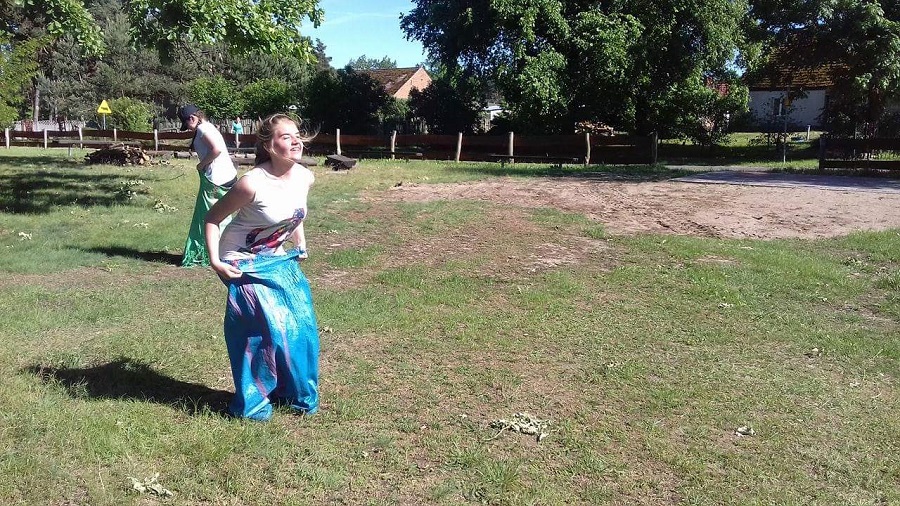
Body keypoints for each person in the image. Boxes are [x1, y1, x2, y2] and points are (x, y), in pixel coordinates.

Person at [204, 113, 319, 421]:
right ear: (269, 145)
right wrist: (215, 262)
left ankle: (292, 392)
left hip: (274, 256)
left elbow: (295, 214)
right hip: (239, 259)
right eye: (286, 137)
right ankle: (254, 400)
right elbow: (212, 219)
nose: (296, 141)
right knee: (264, 326)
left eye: (297, 135)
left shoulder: (305, 177)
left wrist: (300, 242)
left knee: (300, 322)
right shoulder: (251, 183)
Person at [178, 104, 237, 267]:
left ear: (192, 118)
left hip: (215, 179)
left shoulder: (203, 129)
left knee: (209, 218)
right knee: (224, 216)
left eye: (186, 124)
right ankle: (225, 250)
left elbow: (216, 150)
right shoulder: (210, 127)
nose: (188, 128)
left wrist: (201, 164)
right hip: (229, 177)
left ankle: (208, 253)